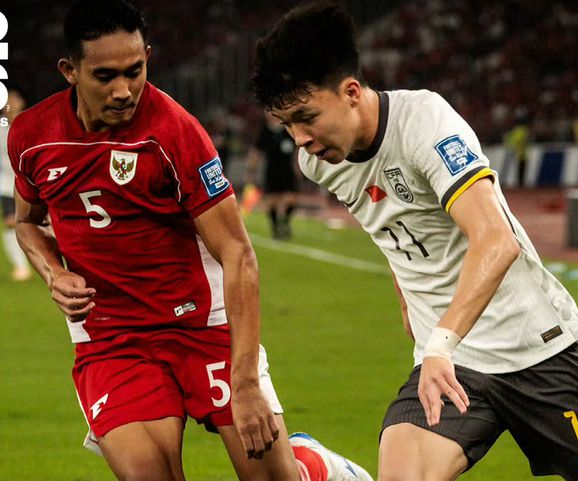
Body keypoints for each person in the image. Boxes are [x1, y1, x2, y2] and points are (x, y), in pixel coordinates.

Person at [251, 3, 578, 481]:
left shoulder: (425, 123)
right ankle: (339, 472)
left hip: (536, 348)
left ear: (351, 92)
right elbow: (391, 225)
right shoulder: (320, 162)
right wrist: (411, 305)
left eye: (306, 117)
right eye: (287, 125)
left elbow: (496, 240)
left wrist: (440, 340)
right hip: (453, 362)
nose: (300, 139)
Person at [8, 2, 372, 481]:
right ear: (69, 71)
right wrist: (54, 273)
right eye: (105, 76)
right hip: (111, 336)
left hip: (202, 325)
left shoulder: (175, 133)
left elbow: (237, 252)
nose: (123, 90)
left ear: (148, 57)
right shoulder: (31, 136)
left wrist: (245, 382)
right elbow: (27, 222)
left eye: (134, 71)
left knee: (271, 476)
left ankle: (312, 466)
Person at [245, 111, 299, 239]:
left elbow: (297, 149)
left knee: (292, 199)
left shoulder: (288, 128)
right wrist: (251, 171)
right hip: (271, 171)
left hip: (288, 170)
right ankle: (275, 228)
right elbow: (256, 153)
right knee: (272, 200)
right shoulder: (264, 132)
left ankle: (285, 222)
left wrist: (298, 166)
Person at [0, 88, 32, 281]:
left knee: (40, 223)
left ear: (21, 102)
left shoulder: (30, 127)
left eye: (14, 100)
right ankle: (21, 267)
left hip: (29, 184)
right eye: (7, 101)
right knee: (11, 223)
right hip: (5, 184)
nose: (10, 104)